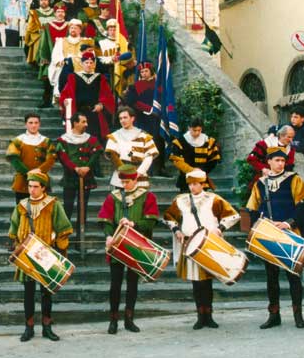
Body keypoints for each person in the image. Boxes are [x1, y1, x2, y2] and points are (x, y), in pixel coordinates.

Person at [245, 147, 304, 329]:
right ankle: (274, 315)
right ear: (269, 162)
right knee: (271, 277)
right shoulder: (261, 183)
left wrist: (288, 222)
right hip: (269, 235)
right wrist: (261, 227)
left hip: (291, 233)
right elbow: (252, 209)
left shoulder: (294, 179)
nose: (280, 163)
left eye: (283, 161)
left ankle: (298, 315)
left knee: (294, 277)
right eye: (276, 160)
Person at [162, 169, 240, 329]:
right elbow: (168, 217)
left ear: (203, 184)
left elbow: (232, 215)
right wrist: (176, 230)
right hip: (190, 245)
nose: (192, 187)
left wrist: (220, 229)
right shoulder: (180, 200)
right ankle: (200, 316)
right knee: (196, 283)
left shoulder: (214, 199)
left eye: (196, 184)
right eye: (190, 184)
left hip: (208, 244)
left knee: (207, 282)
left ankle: (209, 316)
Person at [8, 170, 72, 342]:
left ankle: (46, 327)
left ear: (43, 187)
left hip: (45, 255)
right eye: (30, 186)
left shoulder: (53, 204)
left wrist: (59, 248)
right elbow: (14, 227)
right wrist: (15, 243)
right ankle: (28, 328)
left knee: (46, 294)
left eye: (36, 186)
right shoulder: (21, 205)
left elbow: (64, 228)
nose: (32, 189)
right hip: (26, 255)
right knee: (28, 293)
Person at [98, 164, 159, 334]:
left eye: (127, 182)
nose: (124, 185)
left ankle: (129, 319)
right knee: (115, 285)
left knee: (132, 284)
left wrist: (133, 224)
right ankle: (113, 321)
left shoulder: (147, 196)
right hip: (117, 246)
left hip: (136, 246)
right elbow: (105, 219)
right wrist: (109, 236)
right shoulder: (113, 197)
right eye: (122, 182)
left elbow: (151, 221)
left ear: (135, 179)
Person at [56, 111, 103, 225]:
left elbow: (96, 153)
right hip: (70, 177)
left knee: (83, 207)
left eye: (86, 122)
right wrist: (75, 168)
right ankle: (64, 232)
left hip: (86, 177)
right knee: (67, 206)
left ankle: (80, 232)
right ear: (75, 123)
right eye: (83, 122)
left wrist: (87, 167)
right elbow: (63, 157)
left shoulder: (91, 140)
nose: (86, 124)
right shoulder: (63, 140)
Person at [57, 50, 114, 142]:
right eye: (86, 62)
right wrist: (65, 101)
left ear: (94, 64)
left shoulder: (100, 78)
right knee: (79, 137)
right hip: (79, 113)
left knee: (95, 138)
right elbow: (65, 93)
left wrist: (101, 105)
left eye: (91, 63)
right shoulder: (74, 77)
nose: (89, 65)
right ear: (82, 64)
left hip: (94, 113)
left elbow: (107, 95)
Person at [6, 113, 56, 203]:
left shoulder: (46, 141)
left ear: (39, 124)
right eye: (31, 122)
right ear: (26, 124)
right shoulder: (17, 141)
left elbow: (51, 159)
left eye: (36, 123)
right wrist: (28, 173)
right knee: (23, 209)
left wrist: (39, 170)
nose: (33, 125)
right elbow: (14, 159)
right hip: (23, 182)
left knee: (41, 209)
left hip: (41, 181)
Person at [105, 106, 158, 190]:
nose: (122, 120)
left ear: (132, 118)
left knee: (140, 198)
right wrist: (126, 173)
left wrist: (138, 173)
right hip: (121, 176)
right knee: (121, 198)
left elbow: (149, 157)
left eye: (125, 117)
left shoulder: (144, 136)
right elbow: (113, 156)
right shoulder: (115, 136)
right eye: (120, 118)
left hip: (139, 176)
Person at [169, 119, 221, 193]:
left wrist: (202, 170)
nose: (197, 133)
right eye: (194, 130)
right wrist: (191, 170)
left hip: (202, 180)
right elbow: (176, 160)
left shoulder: (209, 141)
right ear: (189, 128)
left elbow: (214, 159)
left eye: (199, 130)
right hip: (186, 180)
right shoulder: (180, 142)